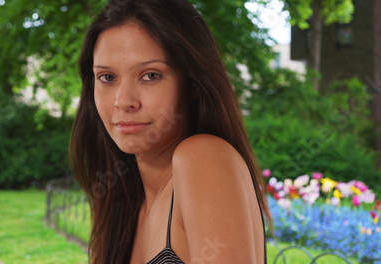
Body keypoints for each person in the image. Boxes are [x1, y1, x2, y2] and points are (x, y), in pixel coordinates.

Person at [70, 0, 271, 263]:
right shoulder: (121, 202)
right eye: (107, 77)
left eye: (150, 75)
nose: (124, 101)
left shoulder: (202, 157)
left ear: (194, 84)